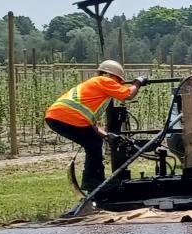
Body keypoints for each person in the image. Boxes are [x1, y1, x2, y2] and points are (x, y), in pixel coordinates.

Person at [44, 60, 139, 193]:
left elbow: (90, 124)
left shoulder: (93, 89)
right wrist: (138, 82)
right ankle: (93, 182)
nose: (119, 84)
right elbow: (128, 95)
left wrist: (106, 135)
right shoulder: (104, 80)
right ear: (110, 75)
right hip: (66, 116)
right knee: (93, 143)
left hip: (56, 116)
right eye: (119, 80)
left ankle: (93, 181)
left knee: (93, 141)